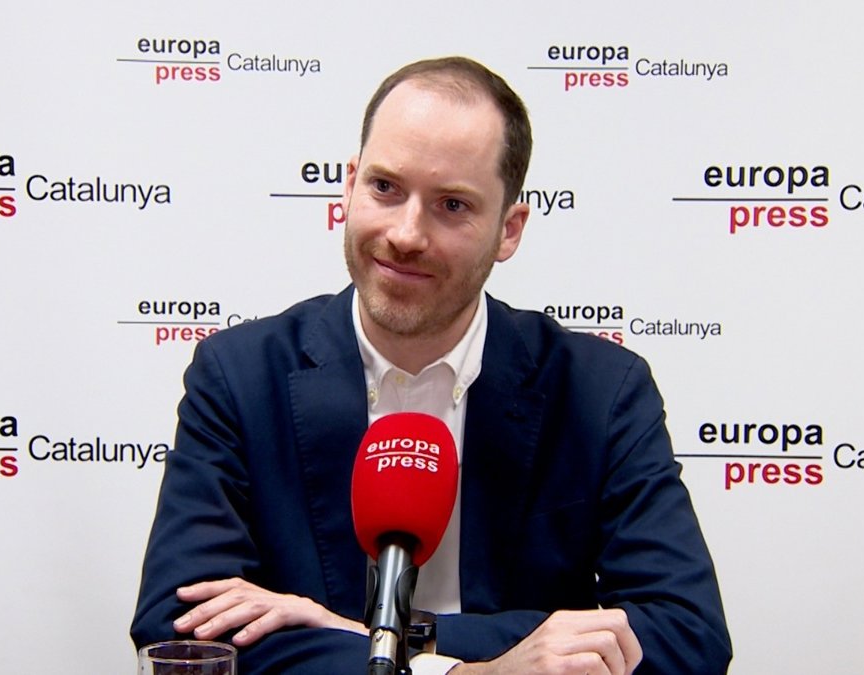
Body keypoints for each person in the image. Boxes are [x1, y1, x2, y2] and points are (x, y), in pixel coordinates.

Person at [131, 56, 731, 674]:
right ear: (349, 187)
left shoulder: (600, 392)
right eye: (385, 188)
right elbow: (178, 630)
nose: (406, 234)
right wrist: (474, 671)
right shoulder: (239, 376)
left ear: (509, 230)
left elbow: (687, 636)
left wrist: (390, 637)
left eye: (452, 205)